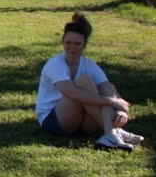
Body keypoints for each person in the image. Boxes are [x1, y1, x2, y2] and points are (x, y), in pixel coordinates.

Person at [36, 13, 143, 150]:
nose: (72, 48)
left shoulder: (89, 64)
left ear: (84, 45)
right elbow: (74, 94)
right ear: (63, 42)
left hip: (82, 123)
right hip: (54, 120)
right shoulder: (55, 64)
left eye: (77, 44)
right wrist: (112, 102)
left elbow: (108, 89)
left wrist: (121, 109)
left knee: (107, 89)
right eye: (68, 43)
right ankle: (114, 132)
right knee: (84, 82)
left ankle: (110, 135)